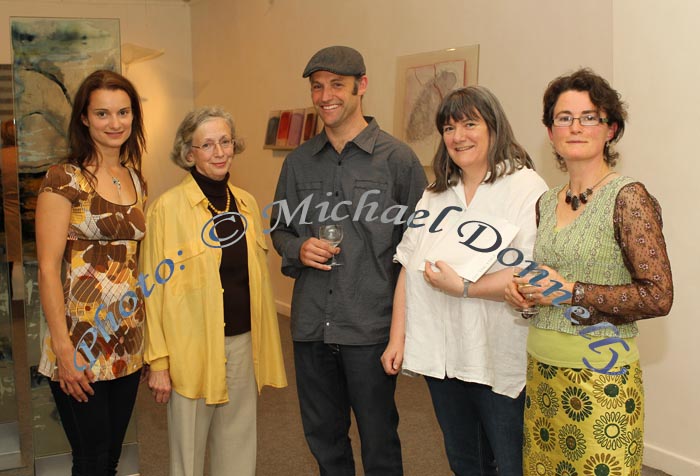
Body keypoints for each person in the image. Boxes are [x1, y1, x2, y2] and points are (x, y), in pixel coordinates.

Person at [504, 68, 673, 475]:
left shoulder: (628, 197)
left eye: (589, 117)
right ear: (550, 132)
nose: (575, 127)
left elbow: (658, 295)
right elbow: (550, 285)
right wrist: (526, 296)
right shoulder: (546, 201)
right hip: (542, 371)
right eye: (564, 117)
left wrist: (571, 291)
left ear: (610, 129)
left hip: (602, 378)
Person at [270, 45, 427, 476]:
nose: (325, 96)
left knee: (379, 440)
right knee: (324, 440)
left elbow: (418, 248)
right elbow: (279, 230)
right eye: (317, 87)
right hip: (311, 326)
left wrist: (403, 329)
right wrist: (296, 249)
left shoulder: (398, 161)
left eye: (336, 85)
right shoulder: (299, 163)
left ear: (362, 86)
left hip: (370, 327)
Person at [381, 86, 548, 475]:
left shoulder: (525, 187)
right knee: (465, 462)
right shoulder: (435, 193)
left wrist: (465, 287)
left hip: (496, 357)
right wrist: (397, 337)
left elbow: (529, 270)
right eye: (449, 127)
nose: (459, 136)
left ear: (493, 127)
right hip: (444, 356)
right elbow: (408, 265)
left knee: (510, 463)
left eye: (470, 124)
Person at [142, 106, 287, 476]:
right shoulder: (166, 209)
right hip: (189, 346)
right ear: (188, 153)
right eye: (207, 145)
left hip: (241, 342)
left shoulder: (247, 205)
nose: (220, 152)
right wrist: (158, 362)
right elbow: (152, 292)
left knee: (238, 443)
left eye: (226, 141)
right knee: (187, 452)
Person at [36, 69, 147, 476]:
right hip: (78, 342)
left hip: (127, 339)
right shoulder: (63, 179)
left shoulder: (136, 177)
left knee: (112, 456)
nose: (114, 123)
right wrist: (64, 351)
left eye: (123, 112)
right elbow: (47, 270)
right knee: (91, 458)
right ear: (84, 118)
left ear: (133, 116)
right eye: (102, 114)